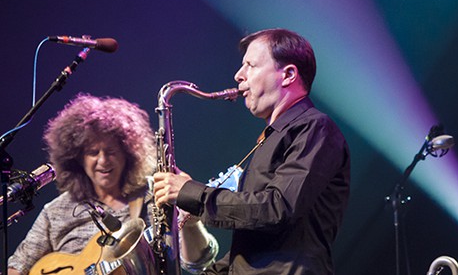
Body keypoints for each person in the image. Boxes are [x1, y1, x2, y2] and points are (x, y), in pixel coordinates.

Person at [153, 28, 351, 275]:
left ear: (288, 75)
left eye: (251, 65)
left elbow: (277, 209)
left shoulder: (315, 127)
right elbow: (250, 254)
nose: (238, 75)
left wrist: (191, 193)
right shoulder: (270, 140)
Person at [7, 94, 219, 275]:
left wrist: (190, 221)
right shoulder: (54, 211)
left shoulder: (157, 193)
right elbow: (16, 268)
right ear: (77, 158)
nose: (103, 161)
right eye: (92, 153)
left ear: (129, 154)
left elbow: (198, 264)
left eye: (111, 151)